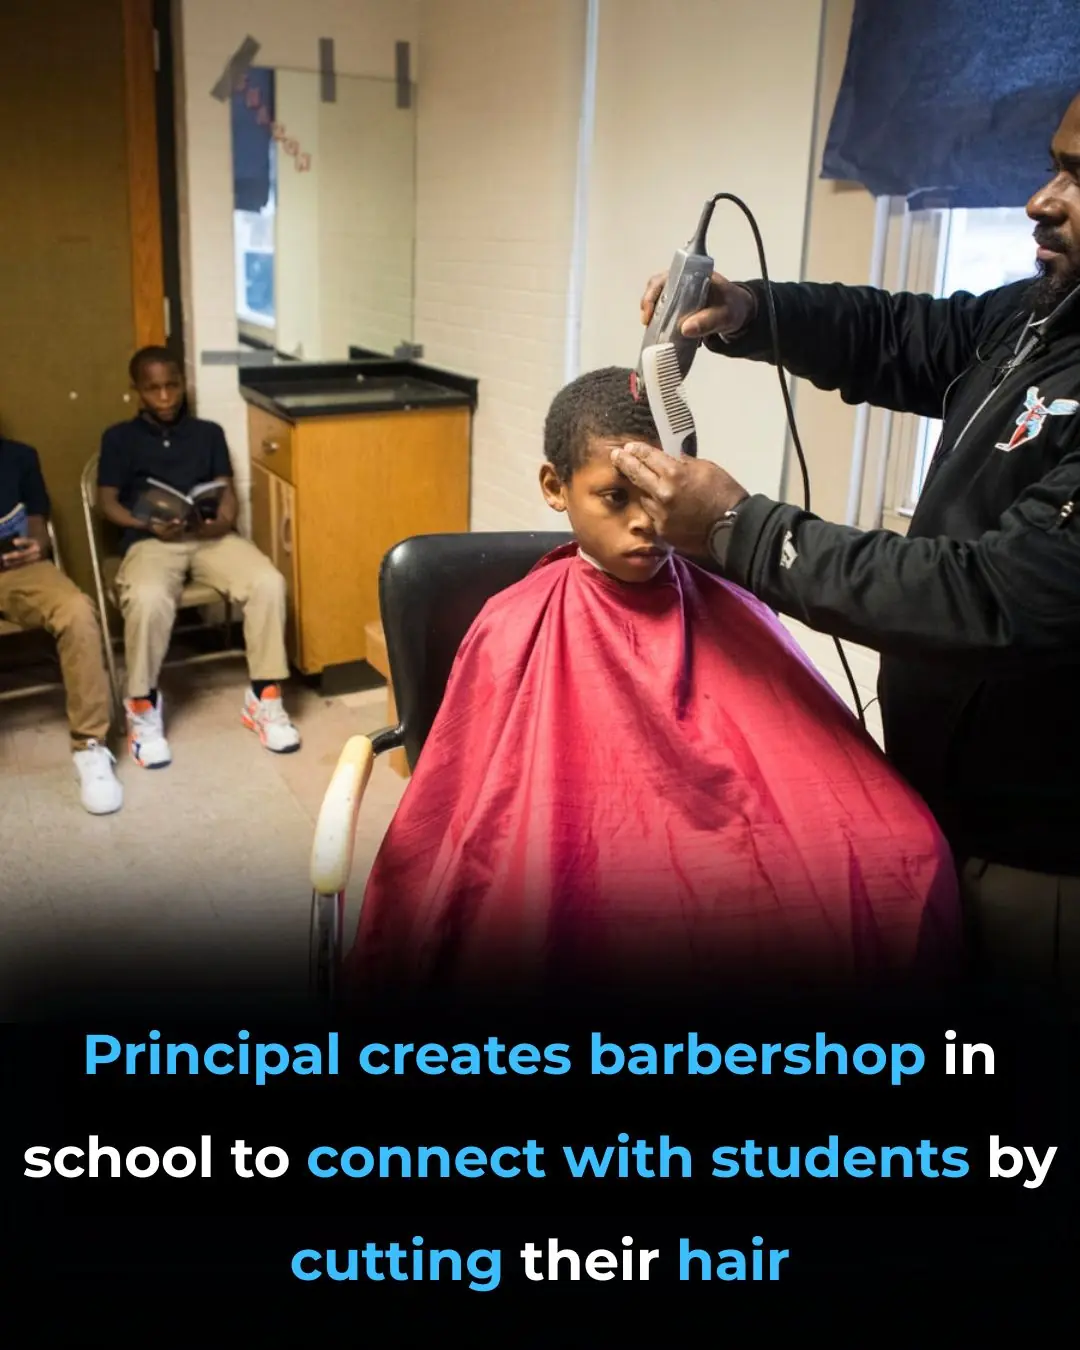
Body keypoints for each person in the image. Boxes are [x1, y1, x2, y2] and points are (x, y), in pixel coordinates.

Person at [615, 91, 1080, 1000]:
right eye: (1057, 162)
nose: (1041, 198)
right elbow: (910, 336)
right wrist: (749, 311)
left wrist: (736, 528)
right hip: (932, 801)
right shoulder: (1048, 312)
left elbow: (992, 596)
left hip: (1038, 860)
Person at [345, 367, 959, 997]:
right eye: (615, 496)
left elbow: (798, 762)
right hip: (580, 847)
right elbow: (469, 808)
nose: (646, 522)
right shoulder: (513, 624)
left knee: (904, 857)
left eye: (659, 496)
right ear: (556, 488)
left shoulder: (731, 605)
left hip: (719, 844)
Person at [97, 347, 300, 767]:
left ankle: (263, 696)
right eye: (153, 389)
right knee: (148, 597)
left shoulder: (207, 432)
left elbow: (224, 489)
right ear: (137, 391)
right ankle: (142, 706)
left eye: (172, 385)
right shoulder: (118, 438)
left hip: (208, 535)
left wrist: (223, 521)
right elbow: (107, 502)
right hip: (151, 541)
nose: (166, 396)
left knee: (268, 582)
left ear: (183, 382)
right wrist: (145, 525)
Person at [0, 435, 122, 814]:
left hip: (18, 570)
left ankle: (90, 747)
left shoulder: (20, 455)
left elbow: (37, 521)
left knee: (77, 610)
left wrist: (37, 545)